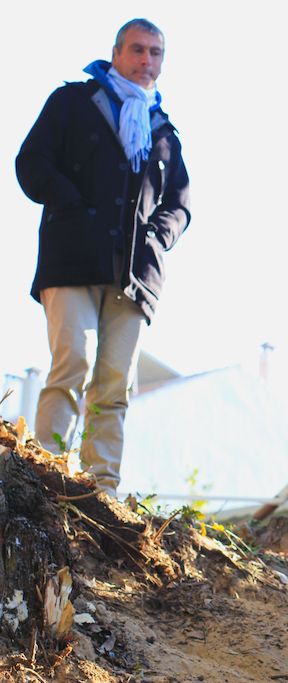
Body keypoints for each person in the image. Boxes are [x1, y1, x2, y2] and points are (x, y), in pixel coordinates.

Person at [15, 19, 190, 496]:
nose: (147, 61)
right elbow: (30, 162)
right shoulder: (72, 102)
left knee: (115, 384)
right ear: (116, 52)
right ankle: (45, 476)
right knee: (72, 360)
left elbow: (180, 201)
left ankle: (101, 491)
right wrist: (72, 202)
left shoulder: (163, 131)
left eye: (156, 53)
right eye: (138, 50)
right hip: (71, 259)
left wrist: (159, 235)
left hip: (134, 274)